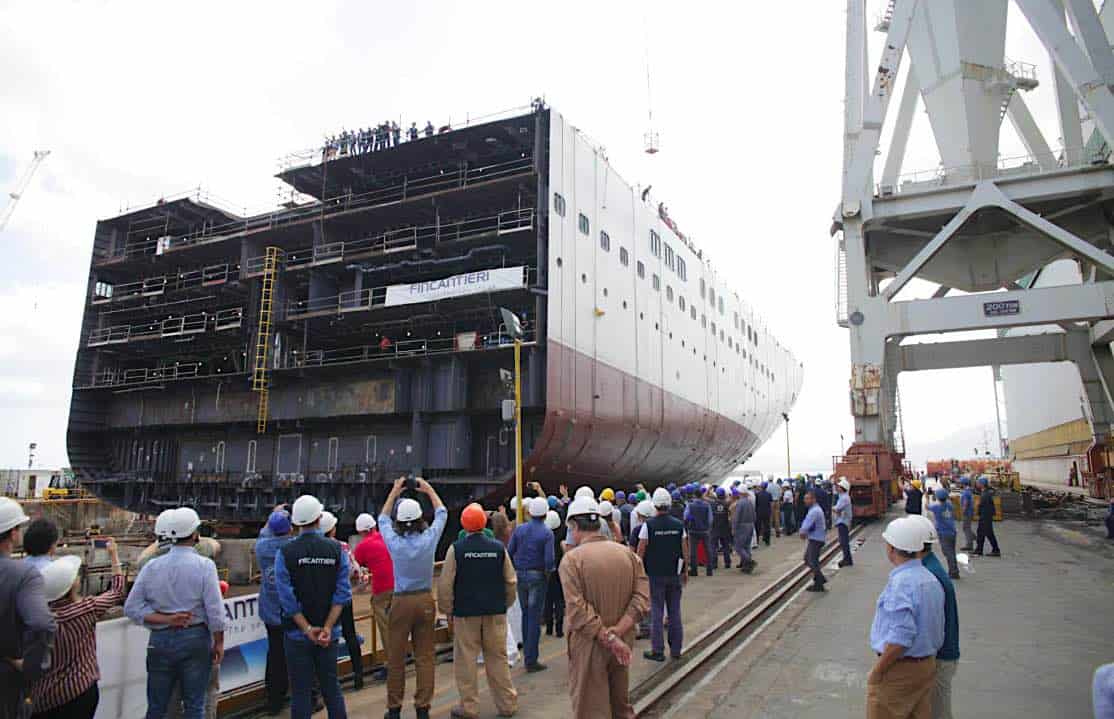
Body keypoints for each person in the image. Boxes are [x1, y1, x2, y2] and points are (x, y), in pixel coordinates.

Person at [124, 507, 225, 719]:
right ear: (194, 533)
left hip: (160, 639)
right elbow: (215, 612)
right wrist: (219, 642)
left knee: (157, 708)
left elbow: (131, 608)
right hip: (195, 638)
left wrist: (166, 619)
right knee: (195, 706)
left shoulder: (151, 567)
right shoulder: (205, 566)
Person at [559, 497, 649, 719]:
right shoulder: (628, 554)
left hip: (589, 645)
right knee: (620, 705)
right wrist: (619, 631)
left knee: (591, 708)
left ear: (573, 526)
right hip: (623, 642)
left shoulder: (571, 560)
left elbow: (577, 609)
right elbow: (642, 598)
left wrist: (608, 637)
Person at [273, 496, 350, 719]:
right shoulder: (336, 550)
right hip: (329, 634)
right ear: (319, 518)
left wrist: (307, 629)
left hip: (297, 634)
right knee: (331, 688)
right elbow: (342, 594)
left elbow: (286, 598)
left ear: (296, 523)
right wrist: (326, 628)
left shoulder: (286, 553)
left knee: (301, 692)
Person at [439, 504, 518, 719]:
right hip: (495, 613)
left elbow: (446, 584)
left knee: (466, 662)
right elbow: (511, 581)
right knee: (498, 659)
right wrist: (505, 604)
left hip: (466, 614)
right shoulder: (498, 548)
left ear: (463, 524)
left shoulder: (456, 549)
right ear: (484, 524)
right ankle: (507, 704)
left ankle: (469, 708)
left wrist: (447, 611)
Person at [31, 540, 125, 719]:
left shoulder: (35, 618)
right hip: (80, 690)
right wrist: (113, 555)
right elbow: (117, 591)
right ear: (71, 586)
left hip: (44, 698)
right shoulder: (85, 609)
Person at [379, 478, 448, 719]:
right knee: (425, 657)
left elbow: (382, 519)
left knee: (396, 658)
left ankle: (394, 708)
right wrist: (428, 489)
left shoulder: (394, 542)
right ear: (420, 518)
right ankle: (422, 708)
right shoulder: (429, 539)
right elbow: (441, 512)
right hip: (424, 600)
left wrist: (394, 490)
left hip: (400, 601)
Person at [867, 516, 945, 719]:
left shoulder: (901, 583)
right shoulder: (930, 579)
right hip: (925, 665)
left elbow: (901, 637)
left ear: (892, 549)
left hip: (899, 669)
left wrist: (878, 671)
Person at [0, 498, 55, 719]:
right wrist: (31, 666)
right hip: (7, 680)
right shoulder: (23, 575)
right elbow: (42, 623)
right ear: (13, 533)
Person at [908, 516, 960, 719]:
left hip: (939, 658)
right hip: (941, 654)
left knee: (937, 712)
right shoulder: (930, 566)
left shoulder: (929, 575)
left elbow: (927, 626)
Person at [637, 488, 688, 662]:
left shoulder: (648, 525)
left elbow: (641, 551)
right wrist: (685, 571)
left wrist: (639, 574)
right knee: (675, 611)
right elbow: (684, 550)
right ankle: (676, 649)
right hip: (674, 574)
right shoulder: (679, 525)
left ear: (655, 505)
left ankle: (657, 650)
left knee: (657, 612)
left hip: (655, 575)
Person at [507, 497, 555, 673]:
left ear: (529, 512)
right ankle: (531, 659)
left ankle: (527, 654)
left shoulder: (519, 530)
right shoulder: (547, 533)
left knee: (526, 614)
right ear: (545, 514)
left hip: (520, 574)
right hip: (537, 576)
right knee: (534, 618)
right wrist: (547, 574)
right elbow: (549, 560)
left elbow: (509, 551)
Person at [255, 507, 294, 714]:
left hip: (271, 611)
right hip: (293, 612)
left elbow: (264, 533)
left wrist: (273, 516)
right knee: (298, 656)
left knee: (275, 655)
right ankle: (305, 697)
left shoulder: (261, 548)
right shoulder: (293, 547)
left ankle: (274, 701)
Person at [320, 512, 363, 690]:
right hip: (344, 598)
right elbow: (355, 570)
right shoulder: (343, 547)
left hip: (324, 600)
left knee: (326, 639)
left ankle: (327, 682)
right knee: (350, 635)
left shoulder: (316, 549)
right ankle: (358, 675)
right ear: (332, 529)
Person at [352, 511, 393, 680]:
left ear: (361, 532)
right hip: (400, 586)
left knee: (386, 628)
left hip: (382, 590)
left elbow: (353, 567)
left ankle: (392, 665)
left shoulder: (363, 546)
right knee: (398, 624)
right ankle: (402, 653)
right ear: (375, 526)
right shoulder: (386, 538)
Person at [798, 491, 827, 592]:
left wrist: (802, 532)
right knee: (809, 559)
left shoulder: (814, 511)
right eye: (805, 498)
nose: (805, 501)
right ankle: (819, 579)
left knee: (811, 561)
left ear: (813, 499)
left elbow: (807, 524)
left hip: (816, 539)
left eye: (807, 499)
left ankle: (819, 582)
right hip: (816, 538)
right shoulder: (815, 509)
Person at [927, 489, 959, 579]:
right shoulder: (949, 505)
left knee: (948, 553)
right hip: (952, 531)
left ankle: (953, 572)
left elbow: (927, 506)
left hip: (944, 532)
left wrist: (927, 497)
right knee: (951, 552)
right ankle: (954, 570)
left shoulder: (937, 507)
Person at [543, 510, 566, 638]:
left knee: (548, 600)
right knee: (559, 601)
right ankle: (559, 629)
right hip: (560, 570)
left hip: (547, 570)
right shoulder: (563, 533)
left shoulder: (545, 536)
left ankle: (549, 628)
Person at [683, 489, 713, 577]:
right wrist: (708, 527)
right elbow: (710, 519)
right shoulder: (707, 505)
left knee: (693, 552)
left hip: (693, 530)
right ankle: (709, 570)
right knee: (708, 550)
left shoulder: (690, 505)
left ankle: (694, 571)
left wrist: (691, 520)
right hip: (705, 530)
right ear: (702, 495)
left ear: (694, 496)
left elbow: (685, 516)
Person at [731, 485, 756, 574]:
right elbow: (754, 515)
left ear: (740, 493)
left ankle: (749, 561)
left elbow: (736, 517)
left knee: (738, 547)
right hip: (750, 525)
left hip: (742, 526)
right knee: (746, 546)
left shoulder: (740, 503)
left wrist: (734, 528)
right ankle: (746, 566)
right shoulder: (749, 502)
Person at [972, 477, 1000, 557]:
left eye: (978, 483)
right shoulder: (985, 492)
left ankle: (996, 550)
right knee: (980, 533)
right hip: (984, 516)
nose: (977, 484)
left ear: (982, 484)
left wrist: (978, 505)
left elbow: (984, 506)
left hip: (986, 517)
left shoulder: (986, 494)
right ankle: (979, 550)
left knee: (989, 533)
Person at [710, 487, 733, 569]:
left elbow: (704, 497)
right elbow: (731, 498)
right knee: (726, 546)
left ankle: (714, 564)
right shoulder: (726, 503)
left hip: (715, 528)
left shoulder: (712, 503)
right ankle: (727, 563)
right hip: (724, 527)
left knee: (713, 546)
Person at [834, 478, 854, 567]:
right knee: (843, 541)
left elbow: (837, 508)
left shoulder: (844, 498)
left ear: (842, 488)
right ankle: (847, 558)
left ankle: (847, 559)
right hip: (842, 521)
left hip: (843, 522)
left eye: (839, 487)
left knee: (844, 541)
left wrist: (833, 509)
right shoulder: (843, 497)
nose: (837, 488)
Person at [958, 479, 975, 551]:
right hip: (969, 512)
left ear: (963, 484)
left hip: (967, 513)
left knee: (966, 528)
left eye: (960, 483)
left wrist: (963, 512)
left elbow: (965, 503)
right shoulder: (968, 491)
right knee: (967, 527)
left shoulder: (965, 493)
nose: (959, 484)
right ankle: (973, 537)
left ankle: (969, 544)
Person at [753, 482, 773, 546]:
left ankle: (757, 540)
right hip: (767, 512)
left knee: (758, 526)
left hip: (759, 512)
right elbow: (771, 504)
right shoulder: (769, 494)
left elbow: (756, 504)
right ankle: (767, 541)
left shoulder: (757, 494)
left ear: (761, 487)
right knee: (767, 526)